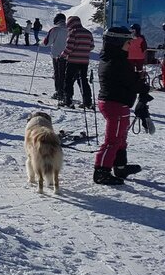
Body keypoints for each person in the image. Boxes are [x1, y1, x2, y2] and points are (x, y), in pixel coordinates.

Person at [93, 27, 152, 185]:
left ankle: (120, 166)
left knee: (120, 137)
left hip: (117, 103)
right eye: (127, 42)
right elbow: (130, 82)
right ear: (117, 43)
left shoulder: (113, 58)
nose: (130, 45)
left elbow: (126, 79)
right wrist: (143, 87)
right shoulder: (116, 61)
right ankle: (101, 171)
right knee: (113, 140)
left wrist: (137, 79)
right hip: (115, 104)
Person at [61, 16, 94, 108]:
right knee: (83, 80)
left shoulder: (73, 32)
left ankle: (68, 99)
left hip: (73, 60)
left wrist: (63, 55)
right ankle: (87, 101)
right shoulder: (88, 33)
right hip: (84, 61)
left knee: (69, 80)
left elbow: (69, 47)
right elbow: (91, 46)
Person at [43, 13, 68, 100]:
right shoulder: (70, 29)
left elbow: (47, 42)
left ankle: (59, 92)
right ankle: (66, 92)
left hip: (57, 55)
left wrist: (40, 43)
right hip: (69, 55)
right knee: (66, 74)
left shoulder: (55, 29)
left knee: (58, 74)